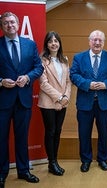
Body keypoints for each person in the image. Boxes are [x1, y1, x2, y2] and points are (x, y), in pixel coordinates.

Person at [0, 12, 44, 187]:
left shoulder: (29, 44)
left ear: (18, 24)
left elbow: (38, 67)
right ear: (2, 26)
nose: (10, 25)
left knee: (22, 137)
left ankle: (23, 171)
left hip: (23, 101)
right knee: (1, 139)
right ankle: (2, 174)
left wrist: (27, 77)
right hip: (2, 102)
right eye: (5, 23)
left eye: (12, 22)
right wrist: (1, 81)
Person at [70, 30, 107, 172]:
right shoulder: (79, 57)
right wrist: (87, 84)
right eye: (94, 40)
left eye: (100, 40)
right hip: (85, 103)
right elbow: (73, 75)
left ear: (104, 42)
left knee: (104, 133)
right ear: (89, 41)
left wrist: (106, 84)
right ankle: (86, 160)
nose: (97, 43)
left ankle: (102, 159)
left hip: (104, 103)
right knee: (84, 133)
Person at [37, 31, 71, 176]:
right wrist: (59, 97)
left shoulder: (64, 60)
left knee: (58, 132)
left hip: (63, 102)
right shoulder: (42, 60)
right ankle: (51, 162)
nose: (54, 43)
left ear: (59, 44)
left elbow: (68, 81)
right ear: (47, 44)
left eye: (56, 41)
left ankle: (55, 161)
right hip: (48, 103)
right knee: (50, 132)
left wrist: (66, 97)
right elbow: (43, 84)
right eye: (50, 41)